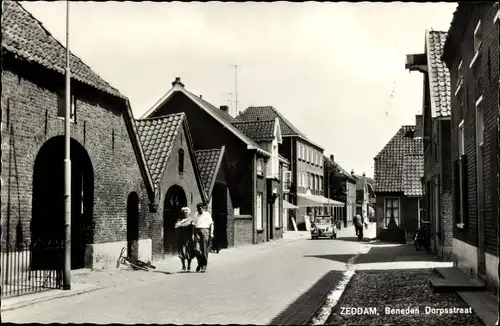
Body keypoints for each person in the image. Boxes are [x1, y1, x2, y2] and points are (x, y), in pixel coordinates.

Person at [193, 202, 214, 273]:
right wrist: (193, 234)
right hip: (197, 232)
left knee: (204, 250)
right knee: (196, 249)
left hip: (205, 232)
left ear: (203, 208)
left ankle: (204, 266)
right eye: (198, 208)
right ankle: (199, 263)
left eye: (200, 208)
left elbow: (211, 224)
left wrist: (211, 233)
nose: (199, 210)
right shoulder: (196, 214)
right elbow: (193, 225)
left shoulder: (207, 215)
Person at [174, 207, 196, 272]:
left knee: (188, 253)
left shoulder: (191, 219)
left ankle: (189, 266)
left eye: (186, 212)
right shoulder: (180, 219)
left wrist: (181, 225)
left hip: (188, 239)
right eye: (184, 212)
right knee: (182, 253)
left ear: (188, 212)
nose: (185, 213)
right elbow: (175, 226)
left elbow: (193, 227)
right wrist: (180, 224)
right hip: (181, 238)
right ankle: (183, 266)